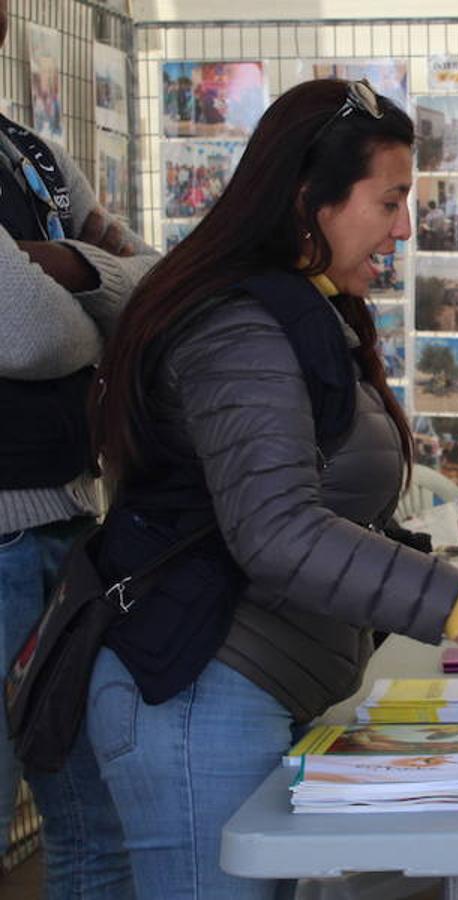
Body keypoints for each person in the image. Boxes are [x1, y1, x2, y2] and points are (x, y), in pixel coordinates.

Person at [85, 78, 458, 897]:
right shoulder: (239, 327)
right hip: (195, 695)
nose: (406, 227)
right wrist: (457, 607)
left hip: (252, 684)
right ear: (311, 200)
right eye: (390, 202)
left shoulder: (300, 310)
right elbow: (276, 530)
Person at [0, 1, 158, 894]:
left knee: (98, 829)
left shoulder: (33, 157)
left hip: (66, 527)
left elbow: (159, 288)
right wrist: (101, 300)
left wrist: (71, 265)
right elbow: (26, 334)